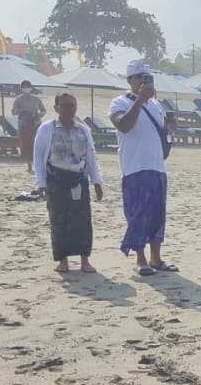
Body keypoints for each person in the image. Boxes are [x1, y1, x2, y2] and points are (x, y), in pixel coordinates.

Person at [109, 60, 175, 276]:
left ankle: (156, 258)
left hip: (157, 167)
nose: (143, 81)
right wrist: (140, 100)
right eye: (139, 77)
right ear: (129, 80)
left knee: (157, 215)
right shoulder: (119, 102)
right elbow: (123, 125)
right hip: (134, 168)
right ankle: (141, 259)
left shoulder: (157, 106)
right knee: (137, 215)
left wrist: (171, 128)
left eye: (147, 78)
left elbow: (163, 135)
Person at [33, 92, 103, 274]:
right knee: (59, 220)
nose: (70, 109)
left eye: (73, 105)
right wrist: (41, 183)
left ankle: (85, 260)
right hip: (56, 180)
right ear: (56, 108)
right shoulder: (47, 129)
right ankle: (63, 261)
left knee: (82, 221)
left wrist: (97, 181)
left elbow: (90, 156)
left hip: (79, 180)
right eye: (65, 105)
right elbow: (39, 157)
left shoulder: (83, 130)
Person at [12, 80, 46, 163]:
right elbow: (13, 112)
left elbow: (43, 110)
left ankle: (35, 155)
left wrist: (38, 115)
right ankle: (25, 156)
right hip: (23, 123)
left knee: (35, 139)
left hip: (35, 122)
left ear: (31, 89)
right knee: (24, 140)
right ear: (21, 89)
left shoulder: (36, 99)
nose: (26, 89)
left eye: (27, 87)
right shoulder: (18, 99)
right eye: (24, 88)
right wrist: (21, 110)